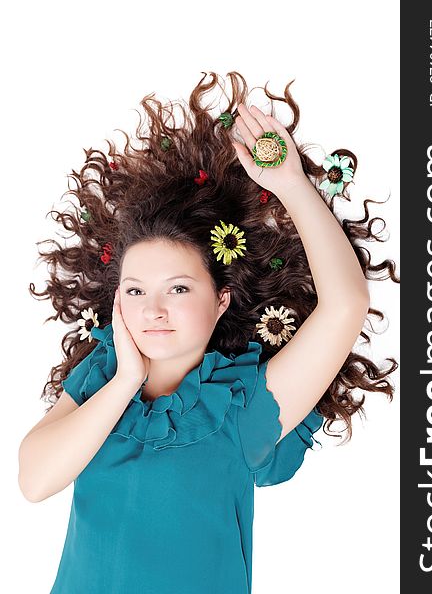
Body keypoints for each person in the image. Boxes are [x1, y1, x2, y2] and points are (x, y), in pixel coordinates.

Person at [18, 71, 398, 594]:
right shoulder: (102, 376)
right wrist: (127, 379)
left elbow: (346, 304)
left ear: (222, 300)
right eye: (134, 291)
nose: (153, 309)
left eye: (177, 290)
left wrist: (290, 185)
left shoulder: (242, 407)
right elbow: (35, 482)